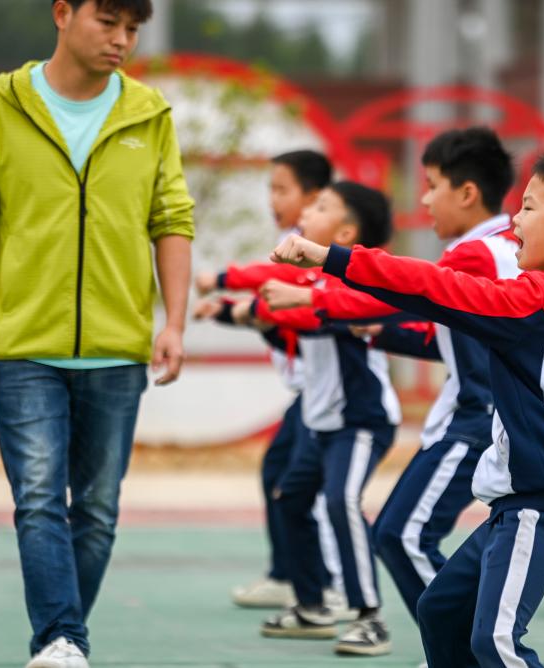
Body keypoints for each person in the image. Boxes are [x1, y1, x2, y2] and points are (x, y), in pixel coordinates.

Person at [269, 155, 544, 667]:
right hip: (521, 505)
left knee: (497, 645)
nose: (515, 221)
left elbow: (432, 287)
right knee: (440, 611)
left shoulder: (538, 300)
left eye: (527, 207)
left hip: (540, 508)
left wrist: (331, 258)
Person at [0, 1, 194, 666]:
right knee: (40, 500)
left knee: (99, 511)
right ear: (62, 14)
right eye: (108, 23)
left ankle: (57, 641)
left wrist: (176, 322)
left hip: (118, 346)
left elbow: (171, 220)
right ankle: (62, 641)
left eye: (133, 29)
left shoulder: (149, 113)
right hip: (24, 346)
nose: (122, 40)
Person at [259, 127, 520, 627]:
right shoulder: (499, 250)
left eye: (432, 185)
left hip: (475, 422)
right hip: (481, 419)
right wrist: (375, 330)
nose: (423, 199)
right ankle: (464, 647)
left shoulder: (476, 252)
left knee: (400, 535)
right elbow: (440, 335)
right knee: (398, 533)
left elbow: (412, 291)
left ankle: (461, 652)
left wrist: (314, 298)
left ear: (466, 194)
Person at [238, 182, 399, 656]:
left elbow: (322, 318)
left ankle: (370, 617)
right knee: (289, 498)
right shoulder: (312, 286)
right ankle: (312, 605)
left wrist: (280, 305)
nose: (306, 211)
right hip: (321, 422)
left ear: (346, 231)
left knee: (340, 501)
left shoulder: (350, 285)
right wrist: (261, 318)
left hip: (361, 421)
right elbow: (298, 333)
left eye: (321, 206)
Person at [192, 150, 349, 612]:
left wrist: (222, 281)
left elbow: (279, 285)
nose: (272, 200)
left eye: (282, 190)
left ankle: (332, 587)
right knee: (283, 477)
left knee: (316, 491)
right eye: (270, 189)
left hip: (332, 398)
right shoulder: (297, 241)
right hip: (311, 390)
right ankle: (294, 576)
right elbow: (282, 318)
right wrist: (228, 313)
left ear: (316, 198)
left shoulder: (320, 250)